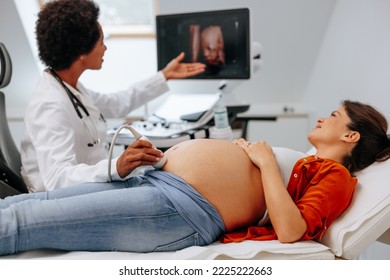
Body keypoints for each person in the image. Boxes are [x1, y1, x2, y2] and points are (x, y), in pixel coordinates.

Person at [0, 100, 389, 256]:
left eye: (335, 116)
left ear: (350, 136)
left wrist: (265, 162)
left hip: (179, 209)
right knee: (27, 204)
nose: (324, 117)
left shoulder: (337, 176)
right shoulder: (308, 162)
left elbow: (290, 229)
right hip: (154, 182)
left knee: (24, 222)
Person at [20, 0, 206, 192]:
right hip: (61, 205)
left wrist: (164, 76)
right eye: (101, 42)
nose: (105, 48)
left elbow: (117, 103)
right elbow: (57, 179)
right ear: (82, 52)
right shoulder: (49, 104)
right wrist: (116, 167)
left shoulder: (69, 88)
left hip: (89, 192)